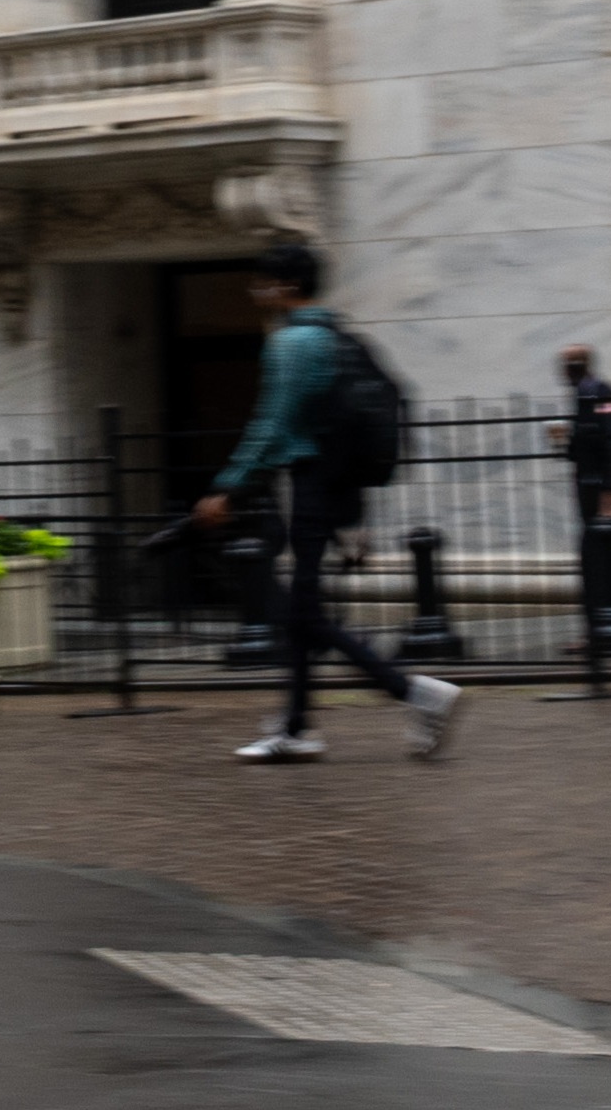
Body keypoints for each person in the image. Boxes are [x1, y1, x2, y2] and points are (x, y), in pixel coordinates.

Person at [191, 236, 462, 767]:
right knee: (301, 615)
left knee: (306, 616)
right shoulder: (333, 335)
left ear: (287, 285)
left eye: (263, 280)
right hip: (332, 487)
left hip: (313, 485)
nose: (254, 289)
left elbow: (271, 426)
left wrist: (227, 487)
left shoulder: (292, 344)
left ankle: (417, 694)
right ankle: (296, 727)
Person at [550, 346, 611, 521]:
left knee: (603, 540)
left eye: (565, 365)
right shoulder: (582, 395)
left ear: (573, 367)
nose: (562, 371)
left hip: (602, 487)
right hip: (589, 484)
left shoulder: (604, 392)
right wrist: (564, 443)